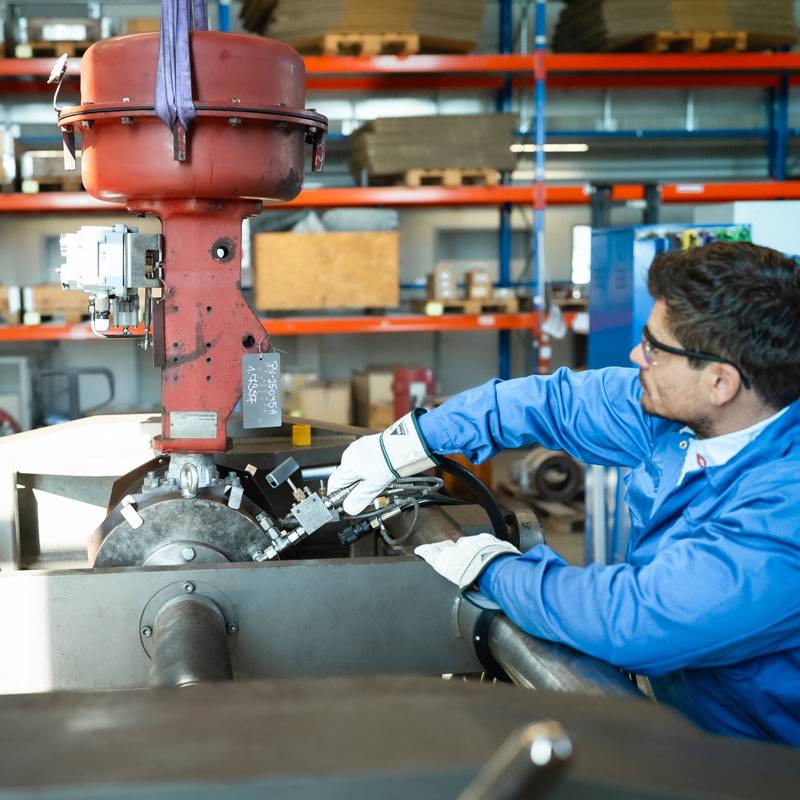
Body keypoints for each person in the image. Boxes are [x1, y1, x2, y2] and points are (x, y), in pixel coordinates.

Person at [328, 241, 800, 745]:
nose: (637, 355)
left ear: (721, 382)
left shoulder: (784, 511)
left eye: (656, 348)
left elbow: (636, 618)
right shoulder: (683, 418)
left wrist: (497, 571)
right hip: (686, 715)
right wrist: (412, 441)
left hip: (761, 763)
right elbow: (553, 403)